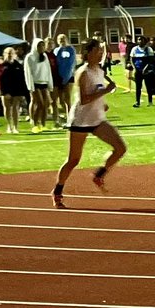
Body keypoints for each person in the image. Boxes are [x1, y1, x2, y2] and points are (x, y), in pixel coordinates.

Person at [51, 38, 127, 206]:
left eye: (101, 51)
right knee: (73, 160)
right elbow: (84, 99)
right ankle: (58, 190)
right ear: (87, 53)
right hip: (80, 120)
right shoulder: (83, 72)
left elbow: (97, 91)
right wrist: (106, 91)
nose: (100, 54)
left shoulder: (99, 70)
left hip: (97, 119)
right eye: (97, 51)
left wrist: (103, 103)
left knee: (120, 148)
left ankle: (99, 175)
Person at [24, 39, 53, 132]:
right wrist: (31, 86)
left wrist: (50, 84)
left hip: (44, 83)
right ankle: (35, 124)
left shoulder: (45, 56)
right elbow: (28, 72)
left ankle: (43, 124)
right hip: (35, 84)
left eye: (43, 46)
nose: (41, 48)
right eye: (39, 46)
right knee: (40, 104)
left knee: (46, 105)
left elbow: (48, 71)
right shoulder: (30, 57)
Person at [0, 46, 26, 134]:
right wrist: (4, 92)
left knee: (15, 108)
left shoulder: (18, 65)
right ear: (4, 54)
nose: (10, 55)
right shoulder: (2, 66)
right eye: (8, 53)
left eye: (11, 53)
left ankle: (15, 127)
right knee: (7, 108)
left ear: (15, 54)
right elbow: (0, 80)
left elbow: (22, 80)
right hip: (5, 90)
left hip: (17, 90)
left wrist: (22, 93)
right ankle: (9, 126)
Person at [53, 32, 77, 117]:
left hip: (69, 76)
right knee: (61, 100)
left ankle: (70, 117)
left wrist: (66, 77)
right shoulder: (56, 50)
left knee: (67, 98)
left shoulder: (71, 49)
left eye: (63, 39)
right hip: (59, 77)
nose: (62, 41)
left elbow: (71, 63)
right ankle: (69, 114)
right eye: (60, 40)